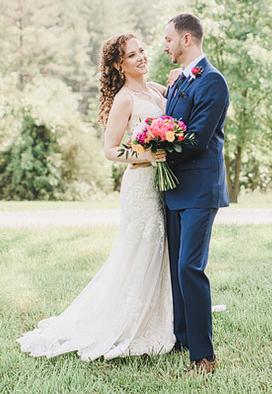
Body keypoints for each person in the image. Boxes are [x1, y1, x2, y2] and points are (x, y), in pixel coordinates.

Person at [17, 33, 176, 361]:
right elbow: (109, 150)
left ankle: (161, 314)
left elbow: (178, 101)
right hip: (140, 186)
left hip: (162, 185)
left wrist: (178, 77)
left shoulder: (156, 89)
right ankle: (126, 321)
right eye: (132, 56)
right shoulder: (125, 99)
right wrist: (147, 155)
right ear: (120, 65)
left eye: (142, 50)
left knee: (159, 248)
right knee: (140, 248)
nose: (142, 57)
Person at [162, 13, 230, 376]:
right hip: (173, 189)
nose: (165, 45)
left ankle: (204, 356)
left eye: (168, 39)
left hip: (201, 189)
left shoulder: (213, 82)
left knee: (191, 266)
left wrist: (158, 150)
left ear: (186, 39)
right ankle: (183, 337)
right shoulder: (179, 81)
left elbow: (197, 138)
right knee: (176, 268)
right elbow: (169, 123)